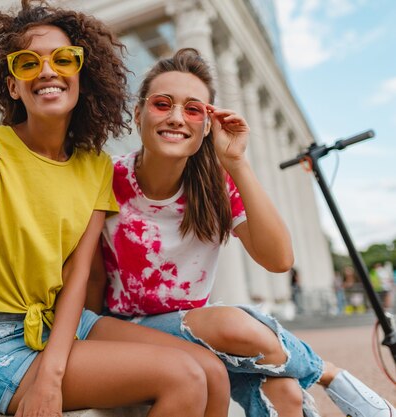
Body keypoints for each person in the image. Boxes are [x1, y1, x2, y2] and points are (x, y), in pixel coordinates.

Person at [0, 2, 230, 416]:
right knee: (183, 376)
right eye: (29, 63)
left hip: (68, 324)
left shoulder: (95, 165)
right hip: (4, 344)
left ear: (80, 75)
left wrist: (54, 374)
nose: (47, 71)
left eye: (63, 59)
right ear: (13, 85)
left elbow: (76, 277)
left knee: (212, 370)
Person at [86, 48, 396, 417]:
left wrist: (237, 163)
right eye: (162, 104)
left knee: (285, 391)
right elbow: (90, 274)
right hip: (124, 328)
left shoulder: (215, 185)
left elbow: (279, 260)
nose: (175, 118)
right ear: (138, 114)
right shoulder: (107, 176)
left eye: (193, 109)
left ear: (207, 124)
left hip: (201, 334)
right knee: (231, 323)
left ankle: (314, 376)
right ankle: (326, 372)